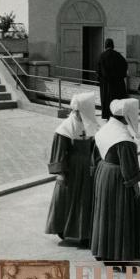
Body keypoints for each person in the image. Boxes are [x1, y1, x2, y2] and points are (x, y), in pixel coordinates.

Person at [92, 98, 140, 266]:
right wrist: (134, 185)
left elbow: (95, 155)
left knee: (105, 214)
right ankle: (118, 254)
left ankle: (104, 252)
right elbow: (129, 169)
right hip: (118, 178)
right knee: (121, 214)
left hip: (104, 173)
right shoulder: (123, 139)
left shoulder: (105, 129)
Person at [45, 92, 100, 247]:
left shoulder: (90, 124)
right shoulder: (65, 128)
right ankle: (63, 229)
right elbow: (59, 151)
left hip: (88, 168)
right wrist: (61, 173)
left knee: (86, 200)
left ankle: (85, 233)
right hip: (72, 170)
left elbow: (95, 146)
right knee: (67, 199)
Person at [98, 38, 128, 119]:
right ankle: (117, 115)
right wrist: (120, 76)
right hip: (118, 83)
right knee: (117, 99)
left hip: (106, 84)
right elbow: (125, 65)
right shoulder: (118, 55)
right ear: (112, 45)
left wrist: (102, 79)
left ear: (105, 45)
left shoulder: (102, 56)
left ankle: (107, 115)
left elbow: (98, 70)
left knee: (107, 100)